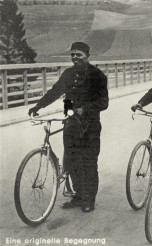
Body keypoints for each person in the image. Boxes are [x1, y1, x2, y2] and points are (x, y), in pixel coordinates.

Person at [28, 42, 109, 213]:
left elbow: (104, 102)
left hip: (90, 126)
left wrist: (84, 109)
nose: (75, 58)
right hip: (72, 124)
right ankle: (78, 196)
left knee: (88, 163)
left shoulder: (97, 75)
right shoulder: (68, 73)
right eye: (72, 55)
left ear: (87, 55)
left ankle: (89, 199)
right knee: (71, 161)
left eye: (78, 54)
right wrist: (38, 106)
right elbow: (55, 91)